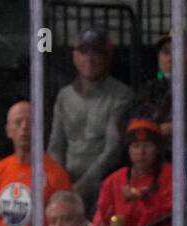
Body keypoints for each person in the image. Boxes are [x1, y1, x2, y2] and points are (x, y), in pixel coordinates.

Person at [47, 28, 134, 211]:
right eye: (83, 51)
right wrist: (60, 185)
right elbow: (55, 146)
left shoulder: (121, 95)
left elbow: (113, 150)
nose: (89, 59)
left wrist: (80, 188)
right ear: (74, 56)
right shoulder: (64, 96)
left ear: (107, 57)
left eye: (97, 52)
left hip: (104, 188)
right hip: (66, 187)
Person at [92, 117, 173, 226]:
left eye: (147, 146)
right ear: (128, 150)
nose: (141, 152)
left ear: (157, 148)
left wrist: (144, 199)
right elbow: (100, 222)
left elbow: (171, 222)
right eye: (135, 146)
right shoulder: (113, 181)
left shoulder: (171, 176)